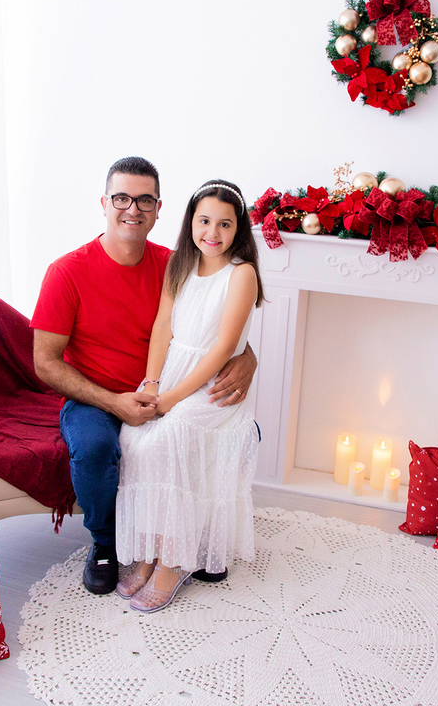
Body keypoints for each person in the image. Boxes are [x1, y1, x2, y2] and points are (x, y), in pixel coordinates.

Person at [31, 158, 256, 595]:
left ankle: (191, 543)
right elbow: (45, 362)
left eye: (144, 200)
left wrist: (249, 358)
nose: (132, 209)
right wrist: (113, 402)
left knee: (191, 433)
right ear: (104, 203)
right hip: (97, 396)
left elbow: (214, 325)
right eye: (121, 198)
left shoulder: (178, 264)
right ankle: (105, 544)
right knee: (96, 447)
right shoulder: (67, 272)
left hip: (167, 388)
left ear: (158, 209)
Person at [113, 180, 264, 613]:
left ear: (238, 229)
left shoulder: (242, 274)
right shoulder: (180, 264)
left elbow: (223, 348)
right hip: (171, 376)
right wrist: (152, 385)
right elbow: (163, 327)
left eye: (224, 224)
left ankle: (173, 562)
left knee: (167, 437)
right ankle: (149, 552)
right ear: (191, 222)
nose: (212, 232)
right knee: (134, 438)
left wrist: (172, 399)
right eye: (204, 221)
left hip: (211, 387)